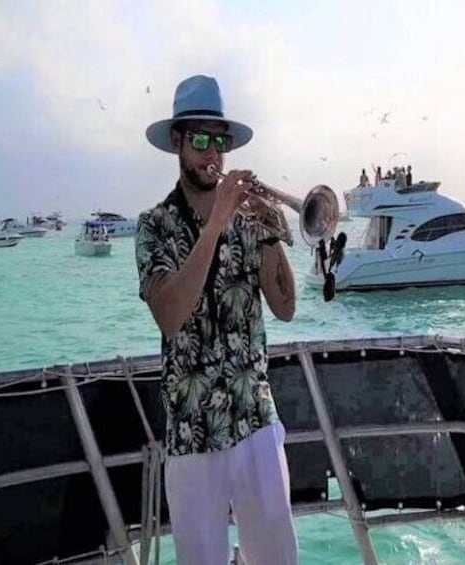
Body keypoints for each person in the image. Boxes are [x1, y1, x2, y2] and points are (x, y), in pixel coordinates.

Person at [135, 74, 298, 565]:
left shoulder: (250, 220)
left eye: (218, 140)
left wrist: (271, 232)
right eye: (199, 139)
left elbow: (285, 307)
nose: (211, 152)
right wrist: (214, 226)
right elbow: (169, 315)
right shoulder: (153, 225)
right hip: (192, 431)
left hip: (256, 417)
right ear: (178, 144)